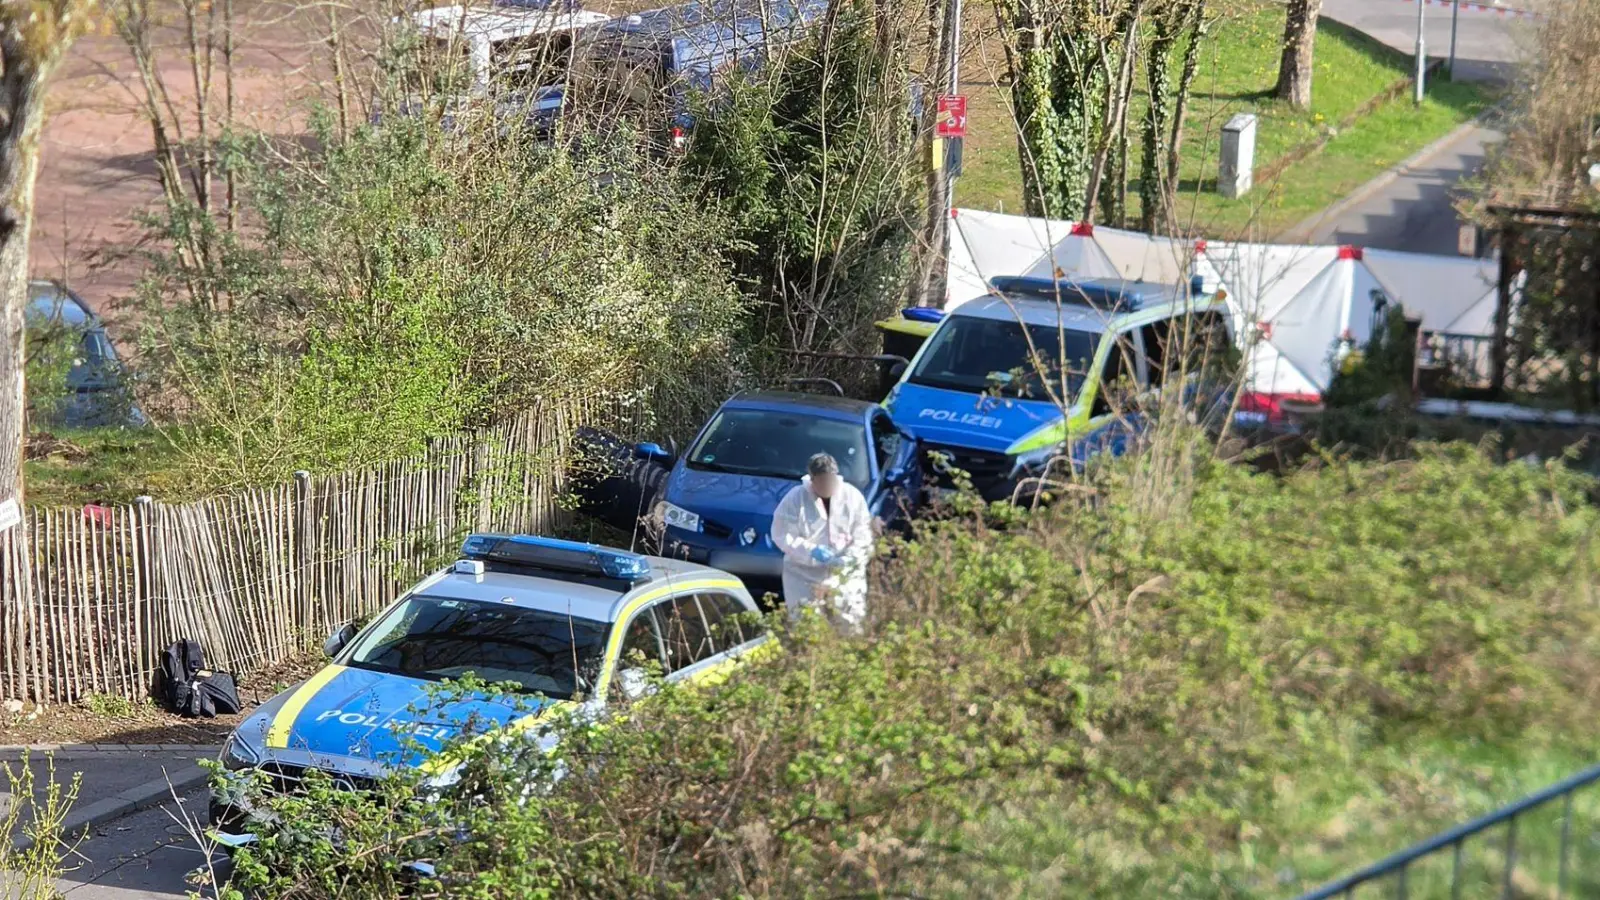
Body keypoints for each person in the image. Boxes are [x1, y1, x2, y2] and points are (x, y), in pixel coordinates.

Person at [770, 452, 875, 632]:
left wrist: (851, 557)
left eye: (829, 480)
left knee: (851, 623)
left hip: (845, 574)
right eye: (821, 481)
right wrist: (812, 551)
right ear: (812, 480)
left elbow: (863, 533)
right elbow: (782, 534)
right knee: (806, 625)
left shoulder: (852, 497)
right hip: (803, 574)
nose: (826, 485)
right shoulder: (795, 499)